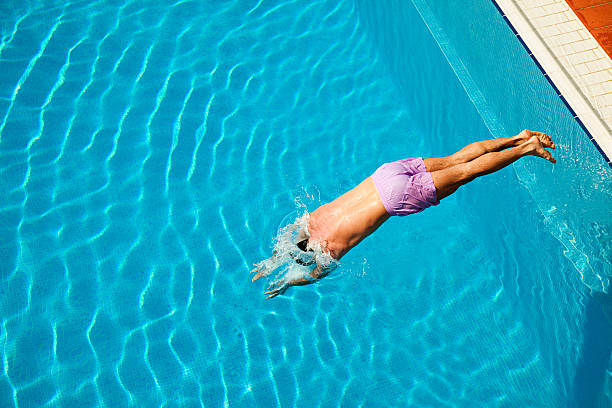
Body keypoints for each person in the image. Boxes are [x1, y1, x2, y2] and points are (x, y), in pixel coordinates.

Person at [251, 130, 556, 298]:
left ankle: (525, 149)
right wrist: (273, 260)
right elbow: (286, 236)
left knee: (464, 173)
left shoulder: (330, 249)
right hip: (385, 175)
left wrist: (288, 281)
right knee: (456, 159)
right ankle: (518, 137)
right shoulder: (311, 219)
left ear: (311, 251)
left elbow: (315, 274)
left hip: (396, 197)